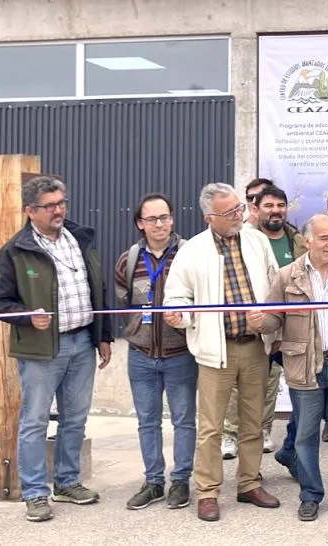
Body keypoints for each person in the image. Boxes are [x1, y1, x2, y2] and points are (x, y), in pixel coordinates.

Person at [0, 176, 113, 523]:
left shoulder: (81, 238)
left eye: (62, 203)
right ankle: (35, 493)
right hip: (41, 350)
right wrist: (27, 317)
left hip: (82, 341)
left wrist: (104, 336)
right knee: (35, 421)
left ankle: (67, 482)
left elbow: (97, 288)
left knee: (75, 418)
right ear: (30, 211)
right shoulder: (15, 250)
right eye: (50, 205)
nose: (59, 210)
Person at [162, 182, 281, 522]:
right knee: (211, 427)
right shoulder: (193, 250)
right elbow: (177, 297)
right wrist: (179, 316)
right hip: (215, 351)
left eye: (240, 209)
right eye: (230, 213)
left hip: (255, 347)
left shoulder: (257, 241)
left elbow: (275, 289)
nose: (238, 217)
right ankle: (208, 491)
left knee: (253, 423)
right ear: (208, 217)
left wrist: (271, 321)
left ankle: (249, 483)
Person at [260, 214, 328, 522]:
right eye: (324, 238)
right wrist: (259, 320)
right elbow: (273, 318)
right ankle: (310, 495)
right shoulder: (287, 276)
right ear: (307, 240)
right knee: (305, 436)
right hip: (304, 366)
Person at [114, 194, 195, 511]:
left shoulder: (190, 255)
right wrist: (137, 330)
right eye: (152, 219)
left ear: (172, 218)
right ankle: (153, 482)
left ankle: (181, 481)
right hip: (141, 355)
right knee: (147, 422)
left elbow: (203, 297)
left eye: (164, 217)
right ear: (140, 223)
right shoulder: (128, 259)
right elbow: (124, 303)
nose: (159, 224)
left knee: (184, 420)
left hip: (180, 354)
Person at [223, 185, 306, 458]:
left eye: (280, 205)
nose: (275, 211)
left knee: (290, 391)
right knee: (242, 387)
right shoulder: (244, 240)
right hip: (255, 328)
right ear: (255, 210)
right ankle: (231, 435)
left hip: (293, 328)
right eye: (269, 206)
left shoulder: (298, 241)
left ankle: (275, 437)